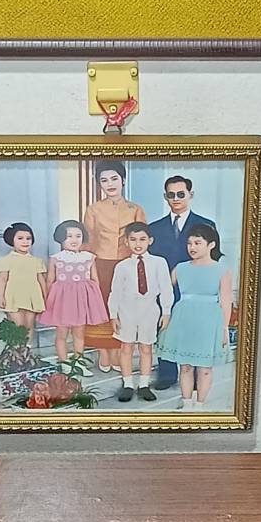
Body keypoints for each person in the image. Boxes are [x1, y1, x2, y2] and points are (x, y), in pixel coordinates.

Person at [146, 175, 217, 389]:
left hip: (194, 289)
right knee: (165, 329)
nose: (175, 198)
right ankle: (167, 375)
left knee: (193, 331)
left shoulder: (205, 225)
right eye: (171, 195)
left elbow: (213, 259)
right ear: (165, 197)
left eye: (180, 194)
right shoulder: (154, 228)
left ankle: (194, 375)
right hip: (164, 288)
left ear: (190, 194)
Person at [155, 223, 232, 411]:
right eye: (189, 243)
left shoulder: (222, 270)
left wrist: (224, 328)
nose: (192, 247)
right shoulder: (180, 268)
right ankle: (187, 404)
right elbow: (163, 291)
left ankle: (199, 406)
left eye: (198, 243)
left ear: (211, 245)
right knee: (186, 366)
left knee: (205, 368)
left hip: (209, 321)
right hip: (184, 319)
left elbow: (226, 301)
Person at [81, 161, 147, 378]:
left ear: (123, 180)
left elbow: (142, 238)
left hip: (127, 264)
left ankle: (119, 351)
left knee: (124, 308)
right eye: (104, 180)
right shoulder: (93, 209)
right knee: (100, 308)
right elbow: (87, 240)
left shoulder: (136, 209)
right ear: (99, 184)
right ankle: (103, 352)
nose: (110, 184)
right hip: (100, 264)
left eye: (114, 178)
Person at [107, 222, 173, 402]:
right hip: (127, 309)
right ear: (126, 242)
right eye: (133, 239)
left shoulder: (159, 262)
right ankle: (128, 384)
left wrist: (166, 311)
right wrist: (113, 314)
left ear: (150, 240)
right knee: (126, 347)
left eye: (142, 239)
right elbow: (115, 291)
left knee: (146, 347)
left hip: (149, 309)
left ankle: (144, 385)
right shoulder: (122, 266)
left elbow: (166, 288)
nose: (138, 244)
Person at [36, 220, 107, 364]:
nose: (74, 240)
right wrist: (49, 300)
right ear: (61, 238)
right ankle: (63, 362)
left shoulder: (89, 257)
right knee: (62, 333)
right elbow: (50, 280)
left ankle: (78, 362)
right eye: (69, 236)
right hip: (63, 300)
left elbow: (95, 280)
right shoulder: (56, 258)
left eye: (78, 236)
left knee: (79, 333)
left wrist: (93, 300)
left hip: (81, 300)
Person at [0, 223, 46, 343]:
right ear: (12, 240)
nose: (25, 242)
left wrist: (45, 297)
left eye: (28, 238)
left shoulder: (37, 261)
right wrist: (1, 297)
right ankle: (16, 349)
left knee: (29, 325)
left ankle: (27, 349)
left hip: (32, 296)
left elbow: (41, 281)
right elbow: (2, 279)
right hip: (14, 296)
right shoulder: (6, 260)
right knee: (18, 325)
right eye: (20, 238)